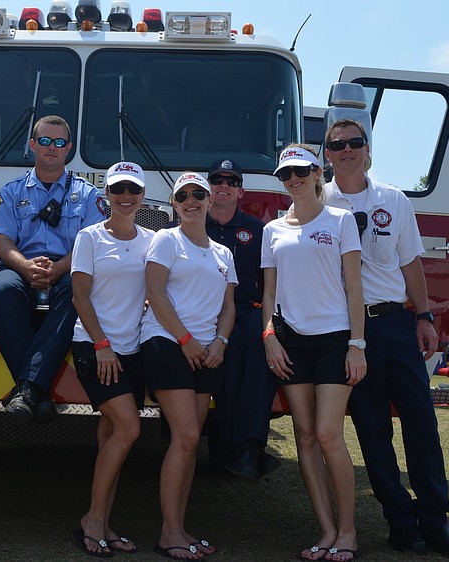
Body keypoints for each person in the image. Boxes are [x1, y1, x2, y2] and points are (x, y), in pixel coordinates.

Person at [323, 118, 449, 558]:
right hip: (349, 330)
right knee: (371, 429)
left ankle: (436, 520)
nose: (347, 149)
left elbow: (410, 264)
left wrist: (424, 316)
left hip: (395, 324)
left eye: (355, 142)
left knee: (422, 423)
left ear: (368, 149)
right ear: (326, 153)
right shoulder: (317, 202)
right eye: (337, 144)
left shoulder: (394, 199)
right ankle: (400, 522)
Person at [261, 145, 365, 562]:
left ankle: (349, 531)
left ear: (317, 172)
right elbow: (269, 292)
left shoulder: (341, 220)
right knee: (303, 436)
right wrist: (268, 335)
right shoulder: (272, 230)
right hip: (289, 341)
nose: (293, 179)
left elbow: (355, 287)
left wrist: (357, 344)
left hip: (335, 339)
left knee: (327, 434)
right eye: (286, 174)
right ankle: (325, 530)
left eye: (301, 171)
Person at [141, 172, 236, 560]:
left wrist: (221, 342)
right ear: (175, 205)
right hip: (167, 343)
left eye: (199, 194)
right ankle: (170, 533)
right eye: (184, 196)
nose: (192, 200)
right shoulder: (165, 240)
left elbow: (229, 307)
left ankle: (178, 527)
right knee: (186, 437)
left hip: (206, 350)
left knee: (191, 440)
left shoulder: (223, 253)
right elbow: (154, 293)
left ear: (210, 201)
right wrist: (186, 340)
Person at [0, 115, 104, 423]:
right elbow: (2, 241)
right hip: (22, 268)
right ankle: (36, 391)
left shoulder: (89, 194)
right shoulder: (12, 192)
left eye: (60, 142)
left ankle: (27, 391)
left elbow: (90, 244)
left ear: (69, 148)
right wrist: (26, 267)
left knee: (76, 291)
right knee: (2, 289)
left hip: (68, 269)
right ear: (33, 145)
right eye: (45, 141)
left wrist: (59, 268)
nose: (52, 148)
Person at [70, 162, 154, 556]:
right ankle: (92, 519)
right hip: (95, 346)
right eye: (118, 189)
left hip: (132, 350)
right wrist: (102, 344)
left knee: (111, 434)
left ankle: (102, 520)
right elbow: (79, 297)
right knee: (129, 429)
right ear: (106, 194)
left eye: (132, 190)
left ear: (141, 195)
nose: (125, 196)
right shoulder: (88, 238)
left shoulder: (152, 240)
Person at [203, 157, 279, 482]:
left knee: (263, 353)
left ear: (240, 191)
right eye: (218, 180)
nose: (223, 185)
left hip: (245, 307)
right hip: (203, 309)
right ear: (208, 188)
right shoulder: (192, 224)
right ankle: (227, 449)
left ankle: (249, 446)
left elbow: (270, 281)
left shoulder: (257, 230)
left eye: (231, 181)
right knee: (229, 357)